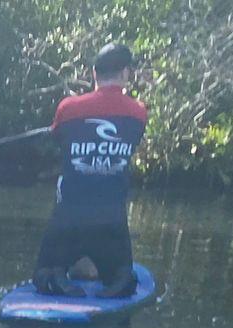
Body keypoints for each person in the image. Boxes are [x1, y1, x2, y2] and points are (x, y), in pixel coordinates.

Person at [32, 43, 148, 297]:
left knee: (43, 273)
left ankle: (55, 275)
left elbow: (60, 139)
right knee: (122, 276)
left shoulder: (68, 108)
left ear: (94, 73)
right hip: (110, 221)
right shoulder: (139, 113)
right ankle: (118, 279)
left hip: (70, 218)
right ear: (126, 73)